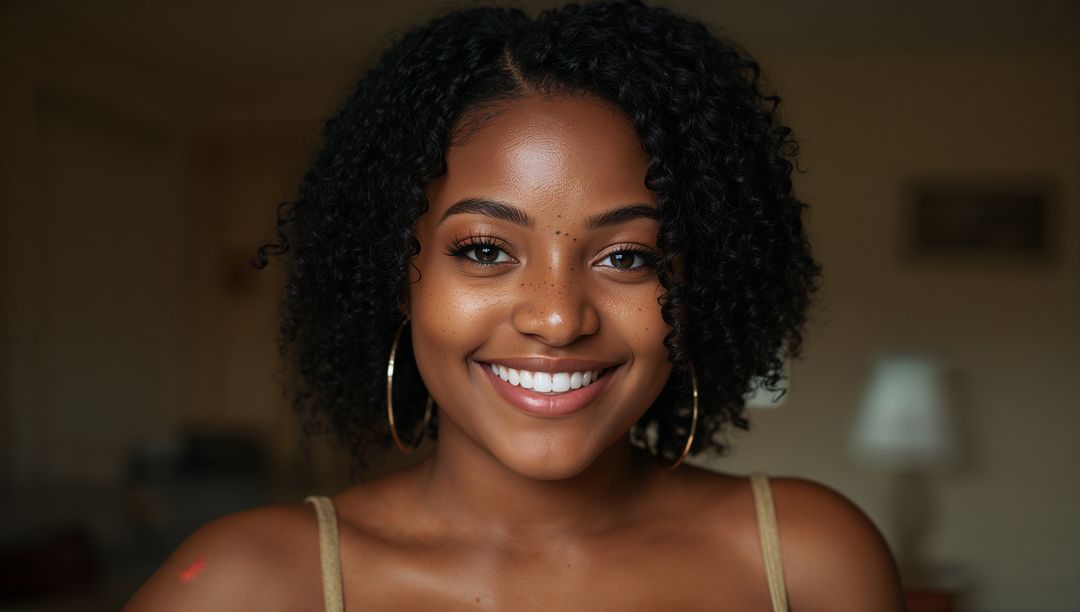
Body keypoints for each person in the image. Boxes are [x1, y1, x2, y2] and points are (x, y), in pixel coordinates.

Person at [126, 1, 905, 610]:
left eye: (628, 257)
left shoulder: (811, 559)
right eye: (486, 251)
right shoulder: (247, 583)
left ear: (697, 288)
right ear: (400, 274)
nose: (558, 319)